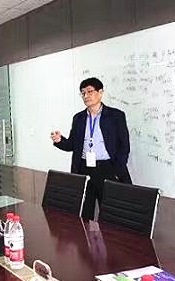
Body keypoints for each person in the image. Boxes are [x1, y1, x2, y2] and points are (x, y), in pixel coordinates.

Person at [50, 77, 131, 220]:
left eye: (89, 91)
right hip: (84, 168)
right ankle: (85, 235)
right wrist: (60, 140)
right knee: (84, 211)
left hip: (107, 168)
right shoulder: (79, 118)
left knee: (111, 213)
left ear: (100, 92)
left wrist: (118, 168)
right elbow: (72, 145)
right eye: (83, 93)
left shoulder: (115, 116)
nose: (86, 96)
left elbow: (124, 146)